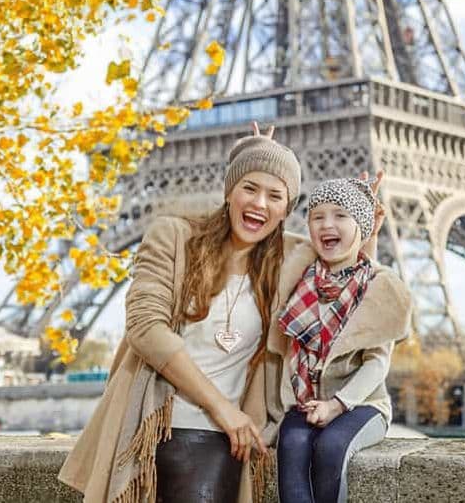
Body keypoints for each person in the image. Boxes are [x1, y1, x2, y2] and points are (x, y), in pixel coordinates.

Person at [58, 123, 306, 503]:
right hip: (158, 427)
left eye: (275, 195)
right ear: (229, 191)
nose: (259, 203)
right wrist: (221, 408)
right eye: (249, 188)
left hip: (224, 442)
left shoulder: (287, 262)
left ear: (286, 209)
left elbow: (345, 273)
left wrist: (365, 234)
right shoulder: (173, 237)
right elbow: (145, 327)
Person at [271, 178, 412, 503]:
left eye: (340, 215)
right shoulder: (298, 277)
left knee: (331, 447)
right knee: (290, 447)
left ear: (360, 226)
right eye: (317, 217)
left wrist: (337, 405)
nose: (327, 224)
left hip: (361, 404)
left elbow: (376, 363)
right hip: (306, 403)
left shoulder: (380, 287)